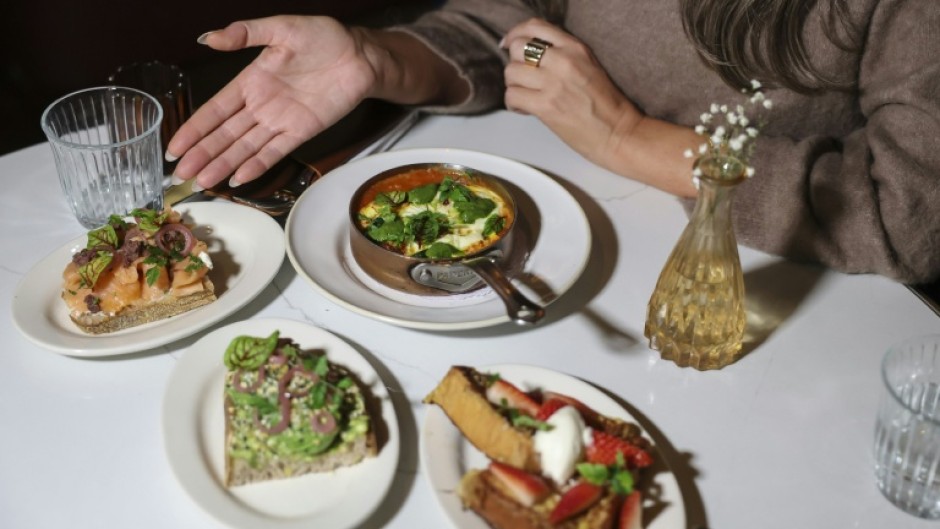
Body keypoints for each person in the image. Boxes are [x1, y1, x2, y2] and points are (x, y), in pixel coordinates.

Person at [166, 0, 940, 285]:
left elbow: (907, 211)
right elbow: (514, 28)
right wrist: (376, 57)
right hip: (555, 238)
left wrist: (624, 135)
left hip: (759, 288)